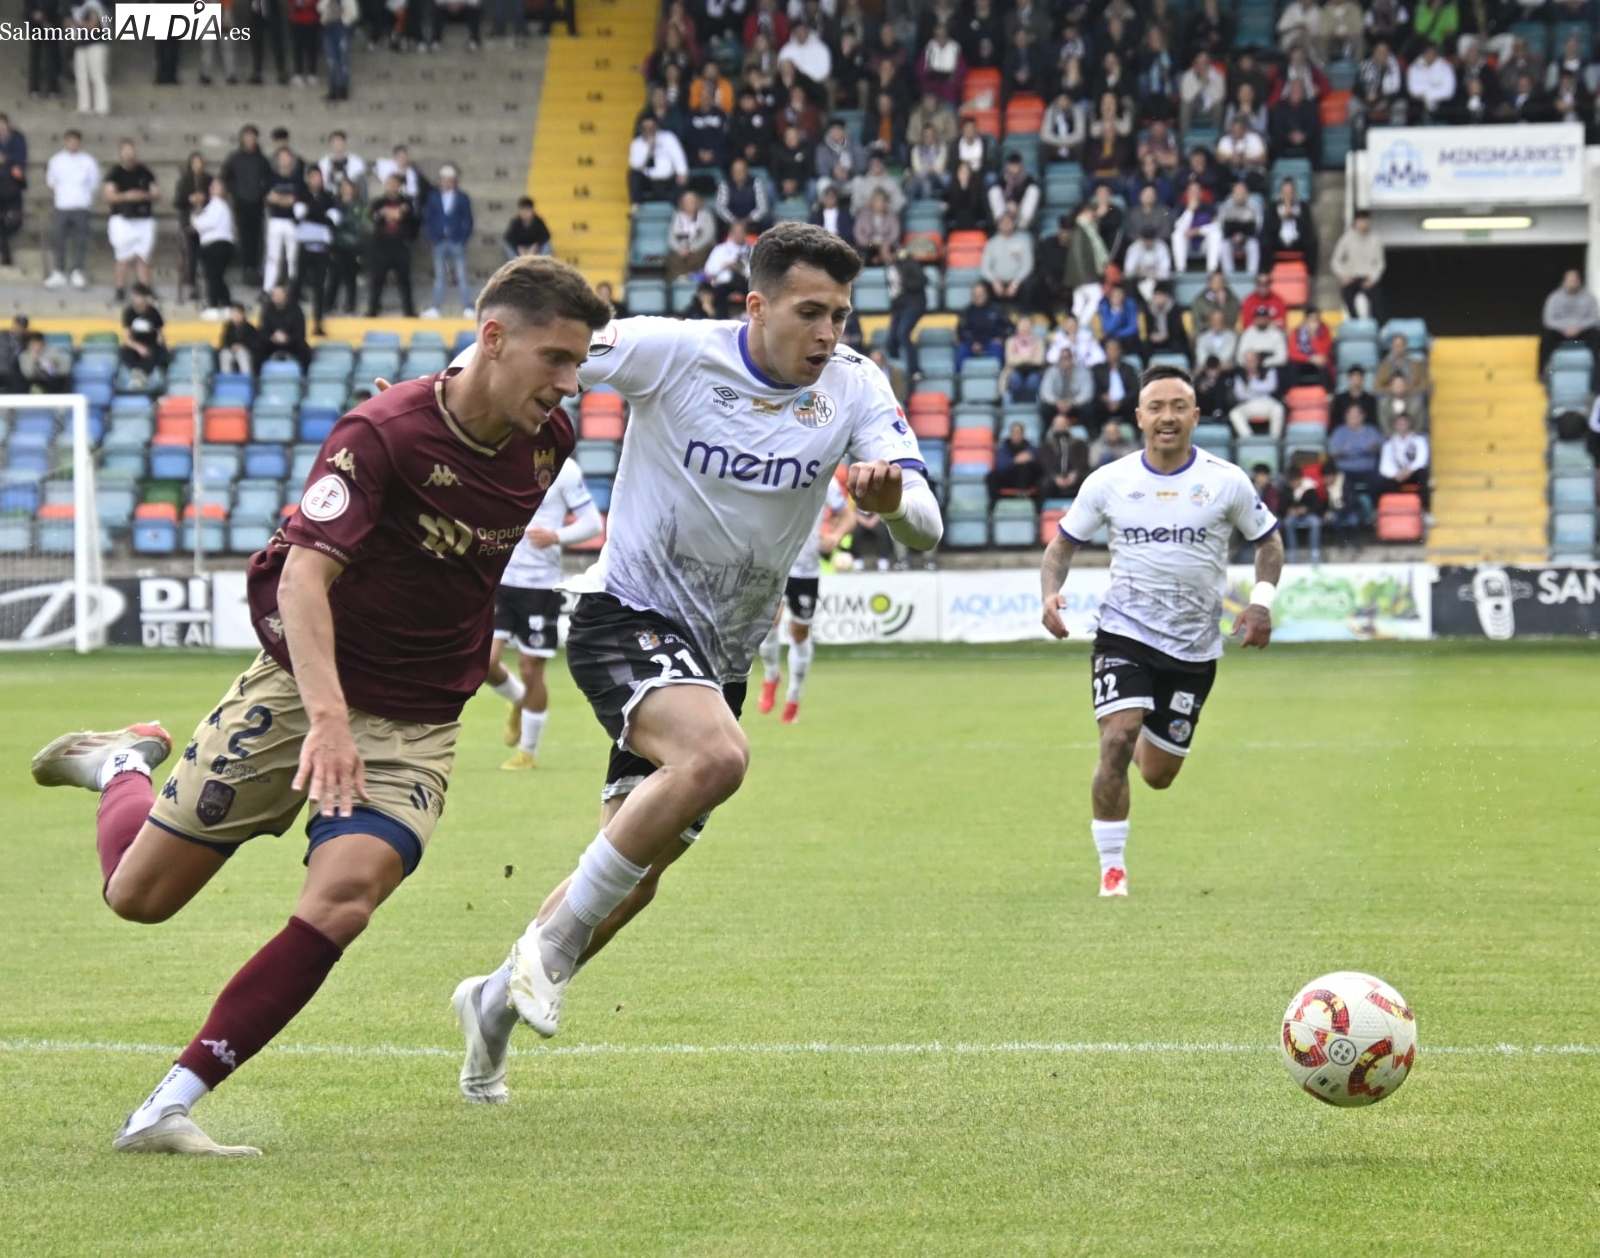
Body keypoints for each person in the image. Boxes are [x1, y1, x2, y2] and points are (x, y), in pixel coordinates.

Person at [29, 257, 610, 1156]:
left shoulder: (549, 439)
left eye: (580, 363)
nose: (571, 383)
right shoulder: (378, 432)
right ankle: (120, 766)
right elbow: (305, 577)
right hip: (306, 687)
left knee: (345, 898)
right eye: (557, 358)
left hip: (415, 723)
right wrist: (328, 719)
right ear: (493, 339)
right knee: (138, 899)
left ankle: (166, 1106)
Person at [447, 224, 942, 1096]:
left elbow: (927, 526)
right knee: (716, 757)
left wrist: (895, 501)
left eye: (840, 314)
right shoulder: (671, 352)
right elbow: (522, 355)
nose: (829, 333)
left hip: (719, 656)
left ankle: (489, 1002)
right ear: (756, 306)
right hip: (624, 612)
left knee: (630, 879)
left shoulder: (855, 387)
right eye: (810, 312)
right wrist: (430, 405)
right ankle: (546, 954)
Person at [1040, 364, 1282, 896]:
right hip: (1123, 633)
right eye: (1156, 407)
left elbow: (1268, 540)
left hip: (1194, 647)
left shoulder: (1226, 480)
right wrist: (1049, 593)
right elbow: (1062, 545)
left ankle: (1153, 736)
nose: (1167, 417)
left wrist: (1261, 603)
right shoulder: (1109, 481)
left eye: (1178, 407)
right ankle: (1112, 870)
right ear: (1139, 417)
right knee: (1117, 737)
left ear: (1195, 416)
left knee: (1157, 774)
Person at [483, 459, 604, 771]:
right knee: (484, 662)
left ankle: (527, 752)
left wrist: (556, 536)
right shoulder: (502, 454)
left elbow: (592, 524)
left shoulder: (565, 469)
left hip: (540, 585)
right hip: (501, 577)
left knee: (530, 668)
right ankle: (520, 700)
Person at [757, 475, 854, 723]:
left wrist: (835, 536)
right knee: (768, 622)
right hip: (773, 563)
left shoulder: (824, 478)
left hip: (806, 568)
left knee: (799, 632)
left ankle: (794, 697)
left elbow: (847, 517)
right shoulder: (773, 471)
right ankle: (771, 676)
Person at [104, 140, 159, 301]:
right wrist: (126, 196)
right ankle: (120, 289)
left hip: (143, 219)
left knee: (143, 257)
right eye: (125, 150)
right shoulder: (115, 173)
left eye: (131, 150)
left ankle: (146, 290)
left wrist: (143, 196)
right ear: (120, 152)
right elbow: (109, 195)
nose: (129, 153)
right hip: (122, 219)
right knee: (123, 257)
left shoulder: (145, 172)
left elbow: (156, 193)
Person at [44, 130, 97, 291]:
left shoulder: (88, 161)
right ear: (65, 142)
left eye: (76, 141)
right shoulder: (56, 160)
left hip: (80, 206)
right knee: (58, 240)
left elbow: (93, 183)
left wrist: (82, 198)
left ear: (80, 143)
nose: (72, 144)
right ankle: (59, 272)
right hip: (62, 206)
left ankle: (77, 271)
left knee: (80, 241)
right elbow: (51, 182)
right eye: (70, 141)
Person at [422, 164, 476, 319]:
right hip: (439, 241)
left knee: (462, 275)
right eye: (444, 179)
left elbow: (469, 220)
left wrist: (463, 238)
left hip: (456, 240)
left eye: (450, 180)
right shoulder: (433, 197)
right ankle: (436, 308)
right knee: (440, 277)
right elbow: (428, 219)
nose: (447, 182)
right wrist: (432, 236)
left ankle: (467, 307)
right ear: (441, 180)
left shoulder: (462, 197)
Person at [223, 126, 274, 286]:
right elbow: (226, 177)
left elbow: (269, 179)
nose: (250, 139)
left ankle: (255, 268)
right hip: (241, 203)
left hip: (257, 203)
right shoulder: (234, 158)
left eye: (252, 136)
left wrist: (261, 191)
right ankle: (247, 268)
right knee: (244, 236)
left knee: (257, 236)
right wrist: (235, 192)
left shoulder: (262, 159)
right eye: (247, 136)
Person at [366, 173, 416, 317]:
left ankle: (409, 311)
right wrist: (387, 213)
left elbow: (407, 217)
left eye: (396, 184)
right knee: (377, 281)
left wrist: (392, 213)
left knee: (404, 282)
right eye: (390, 184)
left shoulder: (407, 201)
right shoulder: (378, 202)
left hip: (400, 247)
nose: (393, 187)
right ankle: (372, 310)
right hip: (382, 247)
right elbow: (374, 217)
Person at [262, 148, 305, 295]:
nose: (285, 160)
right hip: (275, 221)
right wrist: (285, 200)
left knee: (293, 257)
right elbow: (270, 199)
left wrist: (280, 199)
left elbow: (295, 200)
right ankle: (268, 289)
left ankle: (294, 289)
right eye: (282, 157)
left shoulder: (298, 180)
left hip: (292, 222)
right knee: (273, 257)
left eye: (287, 157)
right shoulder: (271, 179)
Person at [1539, 270, 1600, 374]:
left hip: (1583, 331)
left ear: (1579, 281)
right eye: (1570, 280)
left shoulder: (1589, 298)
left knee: (1596, 336)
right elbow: (1548, 320)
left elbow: (1595, 318)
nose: (1572, 282)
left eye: (1575, 280)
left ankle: (1596, 378)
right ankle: (1543, 373)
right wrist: (1565, 328)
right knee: (1547, 337)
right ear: (1564, 281)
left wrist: (1579, 327)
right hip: (1561, 332)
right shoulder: (1554, 297)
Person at [193, 179, 238, 319]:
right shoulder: (213, 206)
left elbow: (207, 224)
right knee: (215, 276)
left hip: (218, 245)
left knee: (213, 276)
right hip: (213, 245)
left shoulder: (218, 205)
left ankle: (215, 305)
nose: (213, 188)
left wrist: (195, 220)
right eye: (212, 186)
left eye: (217, 186)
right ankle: (223, 304)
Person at [1331, 209, 1386, 322]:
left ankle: (1377, 326)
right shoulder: (1347, 238)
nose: (1363, 224)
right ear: (1355, 222)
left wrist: (1373, 278)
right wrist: (1344, 275)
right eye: (1360, 221)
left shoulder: (1375, 239)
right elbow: (1335, 261)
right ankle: (1354, 322)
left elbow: (1380, 263)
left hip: (1369, 278)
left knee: (1377, 300)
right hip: (1352, 277)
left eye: (1365, 221)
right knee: (1347, 294)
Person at [1328, 404, 1383, 512]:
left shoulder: (1372, 431)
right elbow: (1337, 453)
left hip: (1367, 469)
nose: (1353, 418)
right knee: (1339, 484)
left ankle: (1376, 511)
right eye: (1350, 416)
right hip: (1345, 470)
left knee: (1379, 481)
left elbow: (1376, 448)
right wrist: (1364, 449)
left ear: (1363, 416)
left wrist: (1350, 450)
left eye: (1356, 415)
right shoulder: (1339, 432)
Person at [1378, 413, 1432, 522]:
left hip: (1413, 473)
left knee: (1423, 474)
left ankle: (1425, 512)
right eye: (1399, 424)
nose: (1402, 426)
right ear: (1395, 426)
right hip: (1398, 475)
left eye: (1404, 423)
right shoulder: (1389, 444)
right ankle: (1394, 513)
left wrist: (1409, 470)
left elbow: (1422, 459)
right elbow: (1385, 465)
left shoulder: (1419, 440)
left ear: (1409, 425)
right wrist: (1396, 474)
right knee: (1385, 481)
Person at [119, 285, 170, 387]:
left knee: (153, 354)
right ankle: (137, 374)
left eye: (142, 296)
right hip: (136, 343)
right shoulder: (129, 313)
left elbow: (159, 333)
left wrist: (161, 344)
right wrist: (138, 347)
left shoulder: (153, 313)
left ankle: (141, 375)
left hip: (150, 342)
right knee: (126, 354)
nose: (140, 299)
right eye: (137, 296)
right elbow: (127, 338)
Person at [886, 249, 926, 379]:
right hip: (899, 306)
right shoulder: (888, 267)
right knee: (891, 341)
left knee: (903, 334)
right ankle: (897, 371)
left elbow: (923, 280)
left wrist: (904, 283)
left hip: (913, 303)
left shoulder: (908, 263)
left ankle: (915, 370)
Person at [980, 211, 1034, 305]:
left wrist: (1015, 283)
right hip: (996, 283)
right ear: (999, 225)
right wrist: (994, 281)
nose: (1006, 225)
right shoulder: (991, 243)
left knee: (1030, 284)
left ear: (1013, 224)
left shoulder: (1023, 242)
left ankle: (1024, 315)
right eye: (1003, 222)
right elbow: (985, 267)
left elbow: (1027, 265)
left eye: (1008, 222)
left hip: (1017, 282)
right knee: (982, 286)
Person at [955, 282, 1012, 367]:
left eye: (980, 294)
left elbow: (1009, 327)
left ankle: (1000, 377)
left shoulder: (997, 310)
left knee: (998, 350)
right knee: (961, 351)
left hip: (992, 342)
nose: (978, 297)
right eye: (975, 295)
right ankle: (958, 378)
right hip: (972, 343)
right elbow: (961, 331)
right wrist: (972, 343)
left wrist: (1001, 338)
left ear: (986, 294)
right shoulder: (967, 312)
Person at [987, 421, 1043, 505]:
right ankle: (994, 505)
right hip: (1009, 477)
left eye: (1019, 433)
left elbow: (1039, 466)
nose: (1017, 436)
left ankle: (1028, 500)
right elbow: (1001, 465)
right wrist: (1015, 461)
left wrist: (1029, 459)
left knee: (1025, 466)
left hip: (1027, 480)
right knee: (991, 477)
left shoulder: (1031, 448)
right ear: (1010, 434)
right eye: (1014, 433)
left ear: (1023, 434)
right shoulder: (1003, 448)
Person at [260, 283, 313, 371]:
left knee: (304, 351)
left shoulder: (296, 310)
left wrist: (288, 338)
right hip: (272, 343)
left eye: (279, 294)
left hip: (292, 343)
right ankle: (257, 378)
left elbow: (300, 333)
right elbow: (262, 331)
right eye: (274, 295)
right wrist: (272, 338)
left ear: (285, 295)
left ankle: (304, 378)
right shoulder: (267, 310)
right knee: (258, 349)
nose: (276, 297)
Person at [1281, 462, 1326, 563]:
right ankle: (1292, 551)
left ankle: (1315, 551)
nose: (1294, 484)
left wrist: (1306, 509)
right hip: (1293, 516)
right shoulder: (1286, 489)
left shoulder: (1309, 488)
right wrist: (1288, 510)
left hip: (1309, 514)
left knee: (1315, 522)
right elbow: (1282, 506)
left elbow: (1317, 505)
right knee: (1288, 522)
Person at [1038, 413, 1090, 500]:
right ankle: (1041, 512)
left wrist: (1074, 474)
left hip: (1075, 476)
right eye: (1058, 424)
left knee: (1087, 481)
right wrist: (1055, 477)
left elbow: (1083, 461)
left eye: (1063, 423)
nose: (1060, 426)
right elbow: (1045, 463)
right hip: (1054, 477)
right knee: (1044, 485)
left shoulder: (1079, 443)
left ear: (1068, 425)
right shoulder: (1046, 444)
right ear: (1053, 426)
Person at [1091, 339, 1140, 429]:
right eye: (1109, 350)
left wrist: (1121, 401)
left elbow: (1134, 389)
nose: (1112, 352)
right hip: (1105, 404)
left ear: (1120, 351)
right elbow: (1094, 388)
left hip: (1125, 403)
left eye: (1115, 349)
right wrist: (1103, 397)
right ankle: (1095, 437)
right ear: (1105, 352)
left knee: (1136, 407)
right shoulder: (1097, 369)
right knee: (1091, 408)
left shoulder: (1129, 369)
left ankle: (1137, 437)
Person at [1002, 318, 1047, 403]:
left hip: (1034, 370)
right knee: (1015, 379)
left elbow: (1039, 360)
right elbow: (1010, 360)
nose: (1025, 328)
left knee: (1033, 380)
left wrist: (1020, 358)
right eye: (1022, 325)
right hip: (1014, 370)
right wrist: (1029, 357)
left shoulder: (1039, 341)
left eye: (1027, 325)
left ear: (1032, 327)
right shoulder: (1010, 341)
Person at [217, 302, 262, 375]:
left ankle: (246, 379)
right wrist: (232, 346)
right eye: (233, 314)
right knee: (224, 354)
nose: (235, 316)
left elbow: (255, 344)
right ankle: (226, 380)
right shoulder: (229, 328)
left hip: (246, 351)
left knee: (242, 354)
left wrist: (243, 346)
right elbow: (224, 342)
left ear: (243, 314)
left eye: (237, 313)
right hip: (231, 350)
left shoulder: (250, 328)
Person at [1333, 364, 1379, 430]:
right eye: (1353, 377)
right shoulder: (1340, 399)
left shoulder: (1370, 400)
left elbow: (1373, 422)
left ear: (1363, 379)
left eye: (1358, 377)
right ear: (1349, 379)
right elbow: (1336, 422)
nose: (1356, 380)